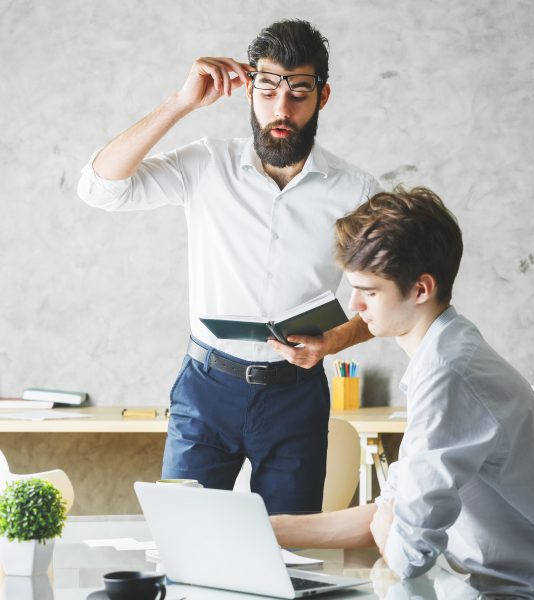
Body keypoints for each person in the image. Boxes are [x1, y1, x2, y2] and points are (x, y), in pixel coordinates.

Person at [77, 19, 379, 514]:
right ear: (249, 91)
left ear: (322, 97)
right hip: (206, 389)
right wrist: (180, 103)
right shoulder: (206, 165)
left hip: (295, 396)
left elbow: (391, 300)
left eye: (299, 93)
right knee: (186, 534)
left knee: (290, 548)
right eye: (268, 90)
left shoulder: (357, 191)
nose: (281, 110)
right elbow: (99, 188)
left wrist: (334, 341)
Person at [271, 188, 534, 598]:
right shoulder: (446, 353)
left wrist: (391, 529)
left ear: (421, 289)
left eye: (369, 291)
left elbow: (408, 554)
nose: (354, 304)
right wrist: (267, 527)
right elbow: (387, 512)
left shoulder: (447, 372)